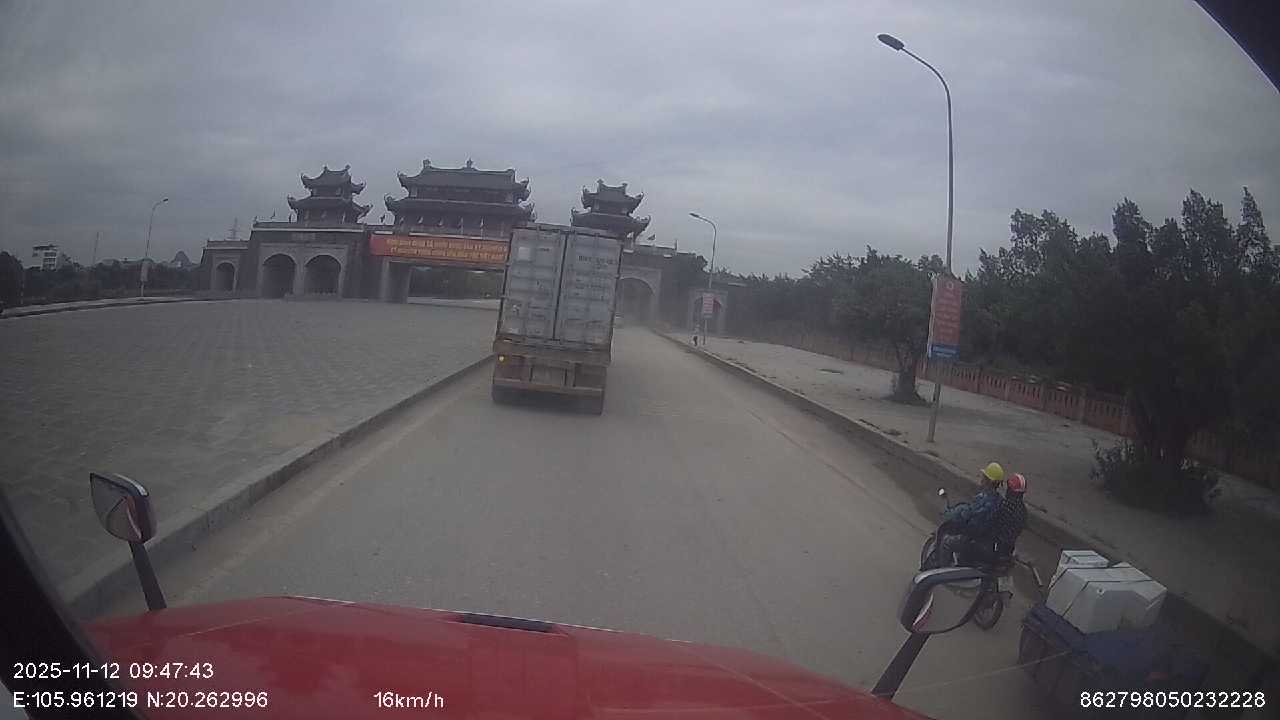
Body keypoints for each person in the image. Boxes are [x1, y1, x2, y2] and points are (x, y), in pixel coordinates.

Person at [933, 462, 1004, 567]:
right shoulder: (998, 499)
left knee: (946, 543)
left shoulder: (984, 500)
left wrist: (956, 516)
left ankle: (942, 571)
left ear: (989, 481)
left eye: (984, 477)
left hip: (974, 537)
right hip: (987, 539)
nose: (981, 478)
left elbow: (969, 516)